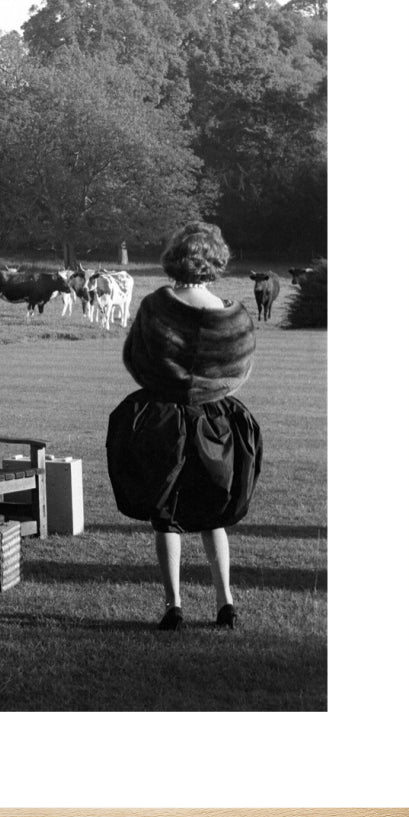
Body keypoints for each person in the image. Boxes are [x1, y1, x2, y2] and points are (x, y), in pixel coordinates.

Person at [106, 221, 263, 632]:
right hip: (217, 421)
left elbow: (135, 358)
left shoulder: (157, 306)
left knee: (167, 515)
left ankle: (174, 605)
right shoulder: (235, 316)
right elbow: (240, 370)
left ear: (175, 258)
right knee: (214, 513)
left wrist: (168, 383)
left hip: (163, 420)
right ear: (216, 260)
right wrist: (209, 389)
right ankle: (225, 602)